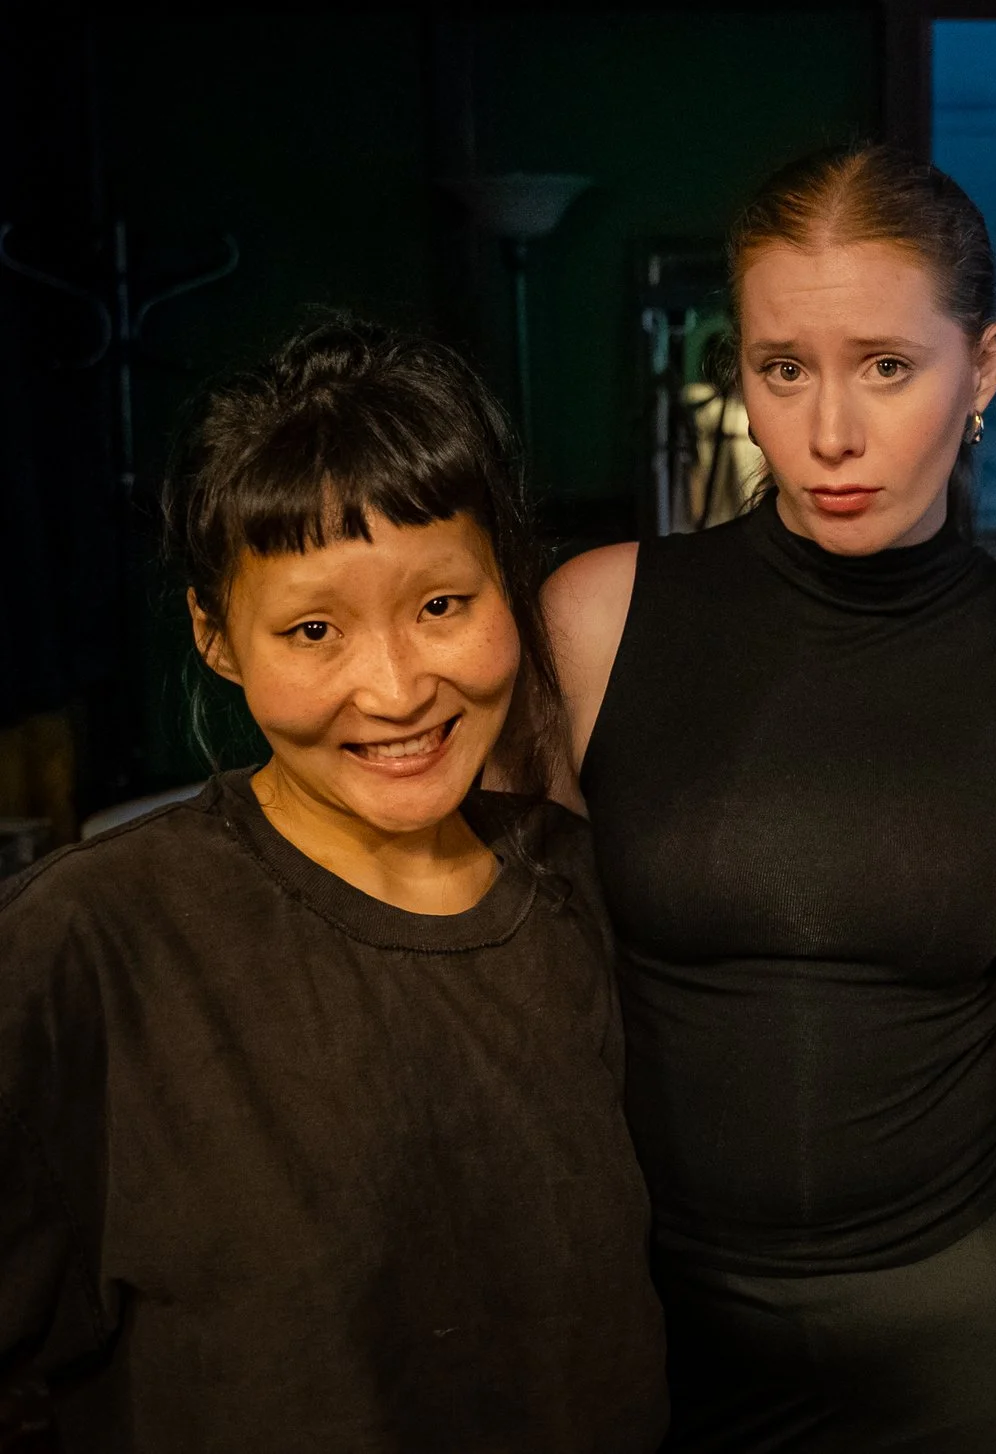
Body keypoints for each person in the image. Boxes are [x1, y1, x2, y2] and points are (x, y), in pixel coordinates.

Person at [542, 144, 996, 1453]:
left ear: (983, 365)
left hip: (968, 1314)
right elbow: (533, 962)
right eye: (786, 368)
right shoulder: (601, 617)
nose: (831, 431)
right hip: (649, 1316)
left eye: (888, 364)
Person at [0, 320, 667, 1452]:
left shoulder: (577, 883)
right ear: (218, 636)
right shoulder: (92, 941)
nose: (397, 686)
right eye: (314, 629)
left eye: (442, 605)